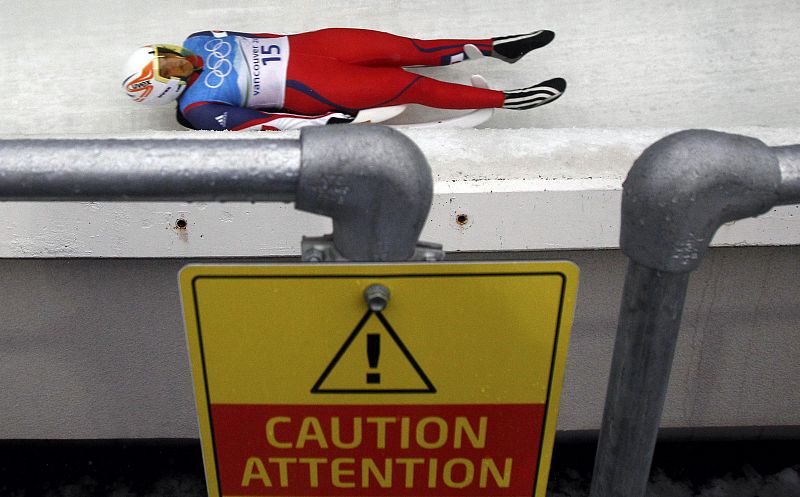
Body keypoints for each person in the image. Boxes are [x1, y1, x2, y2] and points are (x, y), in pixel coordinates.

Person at [122, 28, 566, 131]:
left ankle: (497, 47)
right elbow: (262, 124)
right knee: (411, 85)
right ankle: (509, 100)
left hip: (316, 46)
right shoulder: (197, 108)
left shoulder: (198, 39)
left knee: (408, 48)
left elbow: (257, 36)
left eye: (169, 55)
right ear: (163, 87)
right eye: (171, 68)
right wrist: (325, 122)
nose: (180, 60)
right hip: (313, 88)